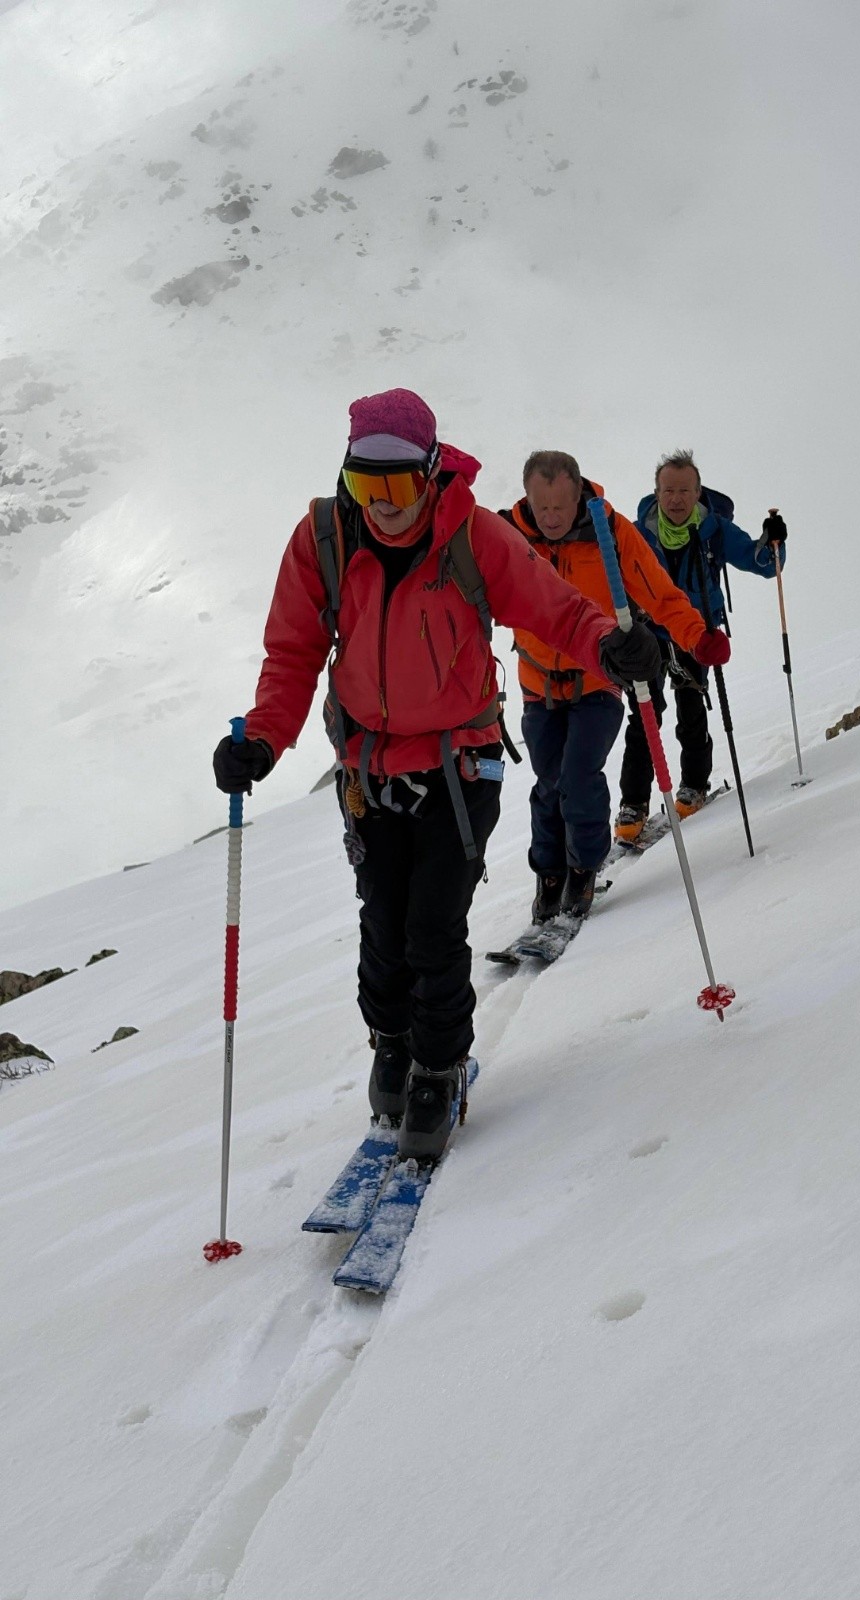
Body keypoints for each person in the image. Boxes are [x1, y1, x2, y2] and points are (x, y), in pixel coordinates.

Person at [211, 391, 659, 1164]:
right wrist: (262, 738)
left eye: (397, 487)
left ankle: (439, 1065)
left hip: (460, 765)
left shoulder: (473, 537)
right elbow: (292, 654)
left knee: (431, 927)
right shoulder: (323, 537)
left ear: (429, 473)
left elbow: (555, 609)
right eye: (364, 486)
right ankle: (392, 1041)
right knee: (382, 929)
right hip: (367, 773)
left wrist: (609, 648)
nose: (382, 507)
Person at [500, 451, 730, 923]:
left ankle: (582, 870)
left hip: (598, 679)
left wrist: (697, 637)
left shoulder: (610, 532)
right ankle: (548, 874)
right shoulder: (510, 538)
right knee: (548, 784)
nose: (551, 518)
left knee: (579, 776)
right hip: (536, 684)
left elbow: (659, 592)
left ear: (578, 491)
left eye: (560, 506)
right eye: (541, 507)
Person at [614, 449, 782, 843]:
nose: (676, 498)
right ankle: (633, 803)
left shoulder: (715, 529)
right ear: (656, 492)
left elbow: (761, 561)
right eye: (668, 490)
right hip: (648, 632)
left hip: (695, 630)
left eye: (684, 490)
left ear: (697, 491)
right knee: (644, 713)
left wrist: (773, 543)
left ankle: (693, 785)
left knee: (691, 704)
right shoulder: (638, 534)